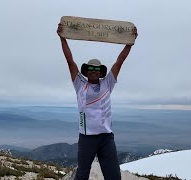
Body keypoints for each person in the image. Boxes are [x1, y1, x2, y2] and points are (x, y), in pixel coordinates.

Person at [57, 23, 138, 180]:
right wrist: (63, 38)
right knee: (82, 175)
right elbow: (69, 60)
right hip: (86, 138)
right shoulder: (80, 83)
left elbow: (119, 61)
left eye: (97, 70)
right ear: (86, 71)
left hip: (106, 138)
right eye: (91, 69)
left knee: (114, 176)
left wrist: (130, 42)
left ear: (101, 73)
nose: (94, 72)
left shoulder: (108, 83)